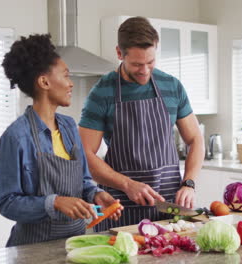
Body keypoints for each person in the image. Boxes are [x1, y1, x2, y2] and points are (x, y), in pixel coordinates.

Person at [0, 34, 122, 246]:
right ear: (44, 82)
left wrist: (96, 194)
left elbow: (82, 181)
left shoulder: (69, 126)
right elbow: (7, 203)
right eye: (65, 76)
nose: (71, 84)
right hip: (32, 248)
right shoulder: (16, 137)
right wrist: (54, 203)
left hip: (75, 243)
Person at [79, 17, 205, 231]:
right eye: (137, 64)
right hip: (120, 210)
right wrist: (127, 185)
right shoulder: (102, 92)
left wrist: (189, 183)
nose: (145, 71)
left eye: (150, 62)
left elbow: (195, 140)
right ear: (119, 53)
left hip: (168, 210)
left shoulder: (172, 86)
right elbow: (84, 156)